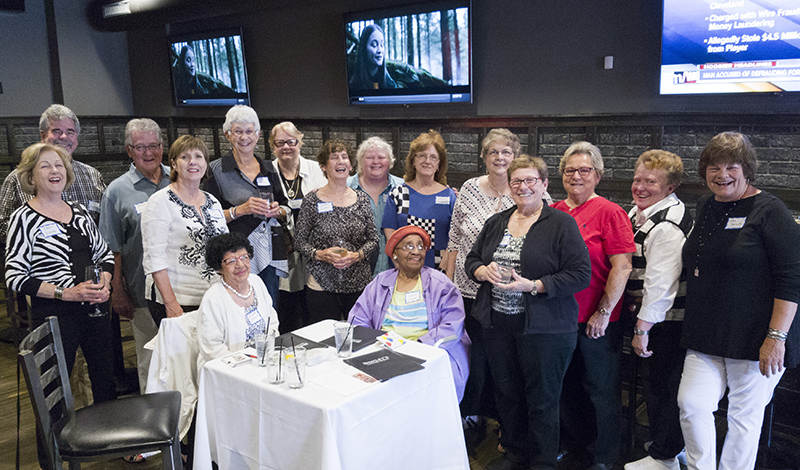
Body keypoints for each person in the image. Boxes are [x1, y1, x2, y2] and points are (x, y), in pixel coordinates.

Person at [678, 132, 800, 470]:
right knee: (692, 404)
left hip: (756, 337)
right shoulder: (706, 205)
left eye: (732, 166)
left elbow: (791, 280)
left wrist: (776, 339)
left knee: (743, 419)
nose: (722, 175)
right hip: (706, 331)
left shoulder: (770, 211)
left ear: (747, 170)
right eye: (714, 167)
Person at [465, 155, 591, 470]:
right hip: (498, 325)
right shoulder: (496, 222)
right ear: (509, 186)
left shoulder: (561, 223)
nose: (523, 186)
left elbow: (580, 274)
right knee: (507, 393)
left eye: (530, 180)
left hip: (546, 329)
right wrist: (483, 271)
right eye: (517, 181)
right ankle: (515, 452)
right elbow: (471, 261)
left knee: (543, 399)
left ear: (544, 184)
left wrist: (533, 285)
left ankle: (543, 461)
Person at [446, 128, 550, 422]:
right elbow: (454, 238)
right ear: (484, 156)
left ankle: (508, 423)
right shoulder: (468, 188)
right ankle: (474, 413)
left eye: (506, 152)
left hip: (513, 294)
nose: (500, 157)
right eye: (493, 151)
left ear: (516, 158)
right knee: (474, 356)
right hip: (469, 289)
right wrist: (450, 286)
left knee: (508, 361)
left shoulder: (530, 191)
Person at [5, 143, 115, 404]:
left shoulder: (79, 211)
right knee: (54, 393)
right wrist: (64, 293)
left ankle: (107, 443)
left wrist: (106, 284)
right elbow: (14, 276)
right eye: (45, 166)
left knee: (105, 384)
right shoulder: (23, 218)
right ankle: (57, 445)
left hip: (94, 310)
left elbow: (105, 255)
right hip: (55, 316)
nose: (55, 171)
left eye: (59, 165)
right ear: (31, 177)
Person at [552, 141, 635, 470]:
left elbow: (622, 266)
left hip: (596, 320)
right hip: (559, 320)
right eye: (569, 171)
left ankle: (603, 457)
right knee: (567, 386)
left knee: (600, 391)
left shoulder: (610, 213)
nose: (576, 176)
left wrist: (603, 312)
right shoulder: (556, 210)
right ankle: (575, 445)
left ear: (597, 175)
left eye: (584, 170)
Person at [623, 150, 693, 470]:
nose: (640, 186)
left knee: (662, 387)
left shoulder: (666, 225)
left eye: (651, 181)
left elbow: (660, 286)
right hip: (655, 319)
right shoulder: (642, 213)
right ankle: (668, 447)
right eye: (638, 179)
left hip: (665, 322)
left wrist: (642, 330)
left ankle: (664, 456)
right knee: (659, 385)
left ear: (670, 187)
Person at [348, 225, 470, 400]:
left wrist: (418, 347)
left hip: (427, 354)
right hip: (384, 352)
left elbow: (453, 325)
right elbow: (358, 319)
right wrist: (374, 347)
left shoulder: (440, 284)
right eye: (409, 246)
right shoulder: (380, 282)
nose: (416, 251)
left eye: (421, 246)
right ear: (395, 254)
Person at [99, 118, 169, 394]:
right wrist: (118, 291)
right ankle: (153, 424)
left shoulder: (179, 178)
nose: (148, 153)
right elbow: (111, 247)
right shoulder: (116, 191)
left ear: (162, 147)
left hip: (183, 289)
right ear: (129, 151)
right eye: (141, 147)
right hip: (142, 291)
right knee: (150, 360)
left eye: (154, 146)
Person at [204, 105, 290, 306]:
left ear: (258, 135)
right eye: (238, 131)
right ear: (228, 135)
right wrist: (240, 210)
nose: (244, 137)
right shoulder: (216, 170)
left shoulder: (268, 167)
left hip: (268, 251)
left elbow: (285, 207)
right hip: (234, 257)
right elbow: (208, 217)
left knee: (268, 307)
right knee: (239, 307)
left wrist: (277, 210)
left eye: (249, 131)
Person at [141, 135, 228, 327]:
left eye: (198, 156)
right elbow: (154, 259)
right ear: (173, 164)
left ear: (206, 164)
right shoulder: (159, 202)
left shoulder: (212, 201)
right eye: (185, 157)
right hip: (177, 300)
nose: (192, 162)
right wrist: (171, 304)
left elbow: (225, 248)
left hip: (213, 297)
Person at [294, 140, 378, 323]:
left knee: (359, 338)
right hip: (321, 283)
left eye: (344, 157)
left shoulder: (362, 199)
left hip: (358, 282)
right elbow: (299, 241)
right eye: (334, 157)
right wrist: (319, 254)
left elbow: (373, 239)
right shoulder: (312, 201)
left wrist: (357, 255)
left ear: (350, 165)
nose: (341, 161)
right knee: (324, 341)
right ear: (323, 166)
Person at [0, 104, 105, 240]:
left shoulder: (93, 175)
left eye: (70, 132)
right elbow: (2, 226)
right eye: (56, 131)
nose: (63, 136)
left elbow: (104, 222)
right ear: (43, 136)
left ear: (76, 138)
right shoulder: (19, 178)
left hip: (87, 258)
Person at [270, 122, 327, 332]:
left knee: (311, 304)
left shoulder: (316, 170)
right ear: (272, 146)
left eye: (291, 142)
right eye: (280, 142)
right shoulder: (267, 171)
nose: (286, 147)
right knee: (286, 304)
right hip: (281, 248)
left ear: (300, 142)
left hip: (313, 248)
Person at [197, 233, 279, 370]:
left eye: (244, 257)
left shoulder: (256, 282)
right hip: (227, 369)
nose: (240, 265)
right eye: (231, 261)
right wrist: (245, 366)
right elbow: (212, 348)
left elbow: (273, 321)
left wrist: (267, 350)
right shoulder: (213, 299)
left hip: (263, 361)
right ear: (219, 267)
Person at [382, 129, 456, 271]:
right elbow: (390, 233)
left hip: (437, 269)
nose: (427, 161)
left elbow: (455, 236)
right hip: (403, 268)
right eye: (422, 155)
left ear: (439, 164)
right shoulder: (398, 194)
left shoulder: (449, 196)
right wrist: (397, 261)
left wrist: (447, 262)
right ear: (413, 161)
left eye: (433, 157)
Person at [347, 136, 403, 276]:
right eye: (370, 157)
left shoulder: (403, 188)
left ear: (389, 161)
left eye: (381, 157)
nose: (376, 162)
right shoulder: (346, 186)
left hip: (395, 268)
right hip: (355, 271)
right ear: (360, 161)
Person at [349, 23, 397, 90]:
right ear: (364, 49)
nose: (379, 50)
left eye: (382, 45)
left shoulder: (390, 85)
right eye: (374, 45)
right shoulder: (353, 86)